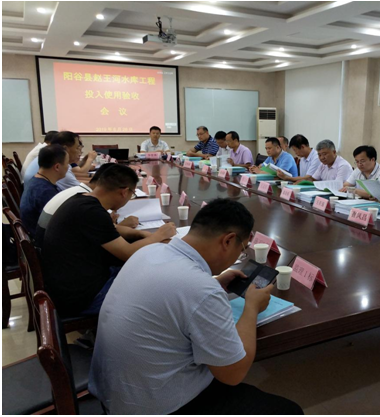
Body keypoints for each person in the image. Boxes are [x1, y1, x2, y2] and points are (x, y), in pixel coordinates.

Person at [88, 199, 303, 415]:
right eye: (242, 249)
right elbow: (233, 374)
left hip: (114, 394)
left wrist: (215, 283)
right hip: (156, 407)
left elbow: (174, 293)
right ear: (228, 240)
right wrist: (251, 308)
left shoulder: (150, 251)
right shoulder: (201, 290)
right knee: (289, 410)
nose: (239, 255)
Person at [42, 164, 176, 318]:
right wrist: (158, 236)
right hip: (83, 297)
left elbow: (111, 229)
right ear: (124, 192)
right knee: (157, 287)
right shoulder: (92, 212)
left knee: (143, 272)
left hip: (69, 283)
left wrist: (139, 233)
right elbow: (128, 253)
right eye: (132, 194)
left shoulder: (81, 199)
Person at [35, 164, 139, 249]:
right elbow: (127, 252)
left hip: (48, 249)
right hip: (63, 260)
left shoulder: (80, 195)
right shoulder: (90, 208)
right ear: (124, 192)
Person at [19, 145, 69, 239]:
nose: (68, 167)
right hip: (45, 241)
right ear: (57, 167)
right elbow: (61, 224)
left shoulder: (36, 181)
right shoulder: (45, 192)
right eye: (67, 163)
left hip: (38, 234)